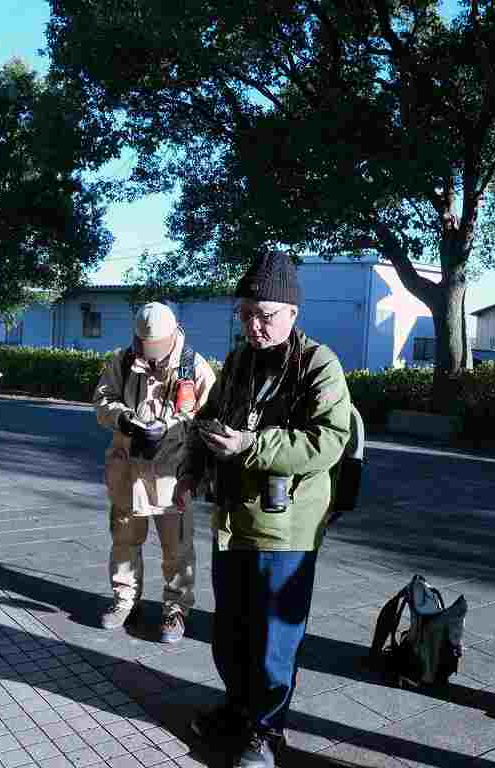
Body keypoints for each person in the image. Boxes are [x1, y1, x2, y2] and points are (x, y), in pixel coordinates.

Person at [175, 252, 352, 768]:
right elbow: (210, 420)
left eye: (266, 315)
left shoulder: (319, 364)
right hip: (233, 520)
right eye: (246, 314)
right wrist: (192, 469)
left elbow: (329, 440)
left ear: (293, 313)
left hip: (286, 526)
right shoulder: (238, 361)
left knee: (274, 638)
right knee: (230, 632)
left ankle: (268, 730)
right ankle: (237, 709)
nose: (254, 325)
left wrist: (252, 445)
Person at [94, 302, 216, 643]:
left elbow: (210, 417)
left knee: (177, 549)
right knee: (124, 541)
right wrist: (123, 418)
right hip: (128, 471)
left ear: (174, 335)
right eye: (144, 347)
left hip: (172, 476)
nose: (150, 355)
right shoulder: (121, 361)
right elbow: (102, 401)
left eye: (157, 347)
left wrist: (171, 428)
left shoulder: (195, 367)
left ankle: (176, 609)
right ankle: (124, 601)